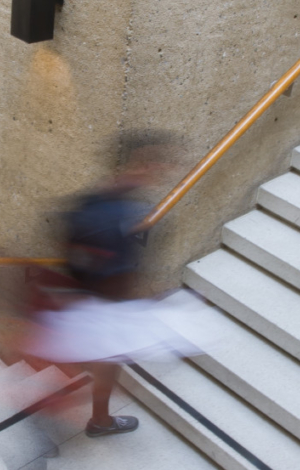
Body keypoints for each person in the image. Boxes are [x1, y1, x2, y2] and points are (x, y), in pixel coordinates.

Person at [23, 130, 212, 438]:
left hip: (76, 302)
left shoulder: (91, 200)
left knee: (98, 364)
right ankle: (72, 414)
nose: (163, 169)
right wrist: (147, 306)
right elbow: (114, 279)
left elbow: (68, 244)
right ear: (140, 163)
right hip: (99, 308)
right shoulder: (121, 214)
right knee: (105, 366)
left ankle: (87, 415)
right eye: (157, 162)